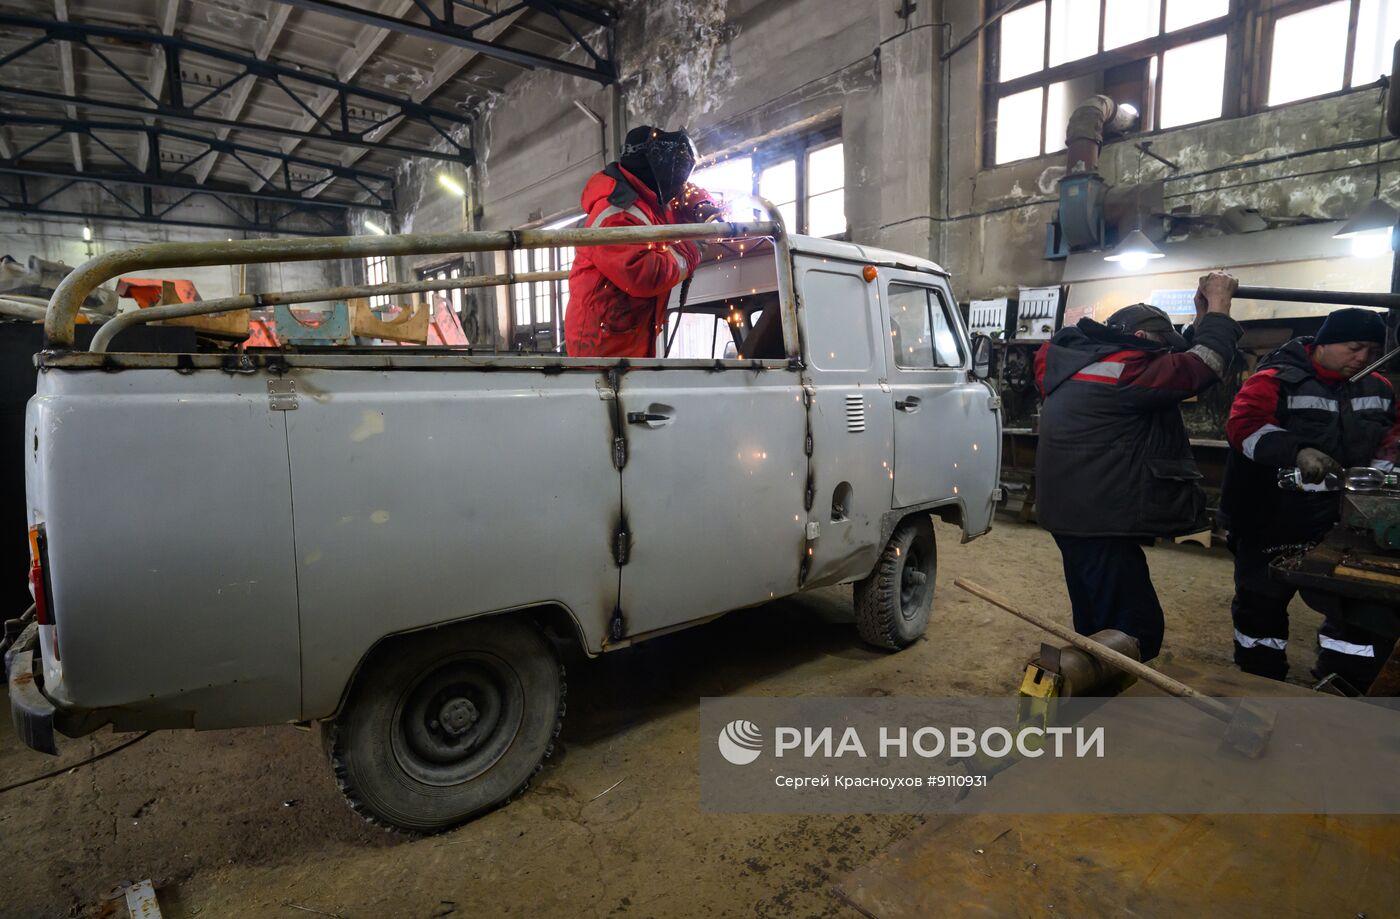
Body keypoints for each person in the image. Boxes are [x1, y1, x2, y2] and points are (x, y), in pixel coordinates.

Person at [1034, 272, 1242, 660]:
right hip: (1098, 518)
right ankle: (1108, 695)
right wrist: (1220, 306)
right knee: (1134, 627)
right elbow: (1203, 367)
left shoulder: (1087, 361)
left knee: (1099, 615)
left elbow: (1181, 362)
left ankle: (1094, 684)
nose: (1164, 359)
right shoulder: (1125, 371)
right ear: (1144, 341)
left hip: (1078, 514)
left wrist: (1200, 319)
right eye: (1162, 351)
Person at [1221, 307, 1395, 688]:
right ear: (1323, 344)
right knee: (1262, 601)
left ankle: (1342, 679)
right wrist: (1296, 451)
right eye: (1354, 347)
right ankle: (1260, 678)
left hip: (1342, 519)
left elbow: (1391, 438)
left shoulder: (1378, 387)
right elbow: (1244, 427)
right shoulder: (1274, 380)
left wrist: (1379, 478)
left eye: (1371, 350)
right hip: (1270, 515)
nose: (1362, 358)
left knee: (1350, 604)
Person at [564, 126, 720, 358]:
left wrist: (701, 205)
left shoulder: (650, 198)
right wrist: (693, 248)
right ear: (656, 166)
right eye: (676, 172)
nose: (679, 182)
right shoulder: (615, 213)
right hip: (602, 348)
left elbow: (686, 191)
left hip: (630, 335)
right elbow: (644, 275)